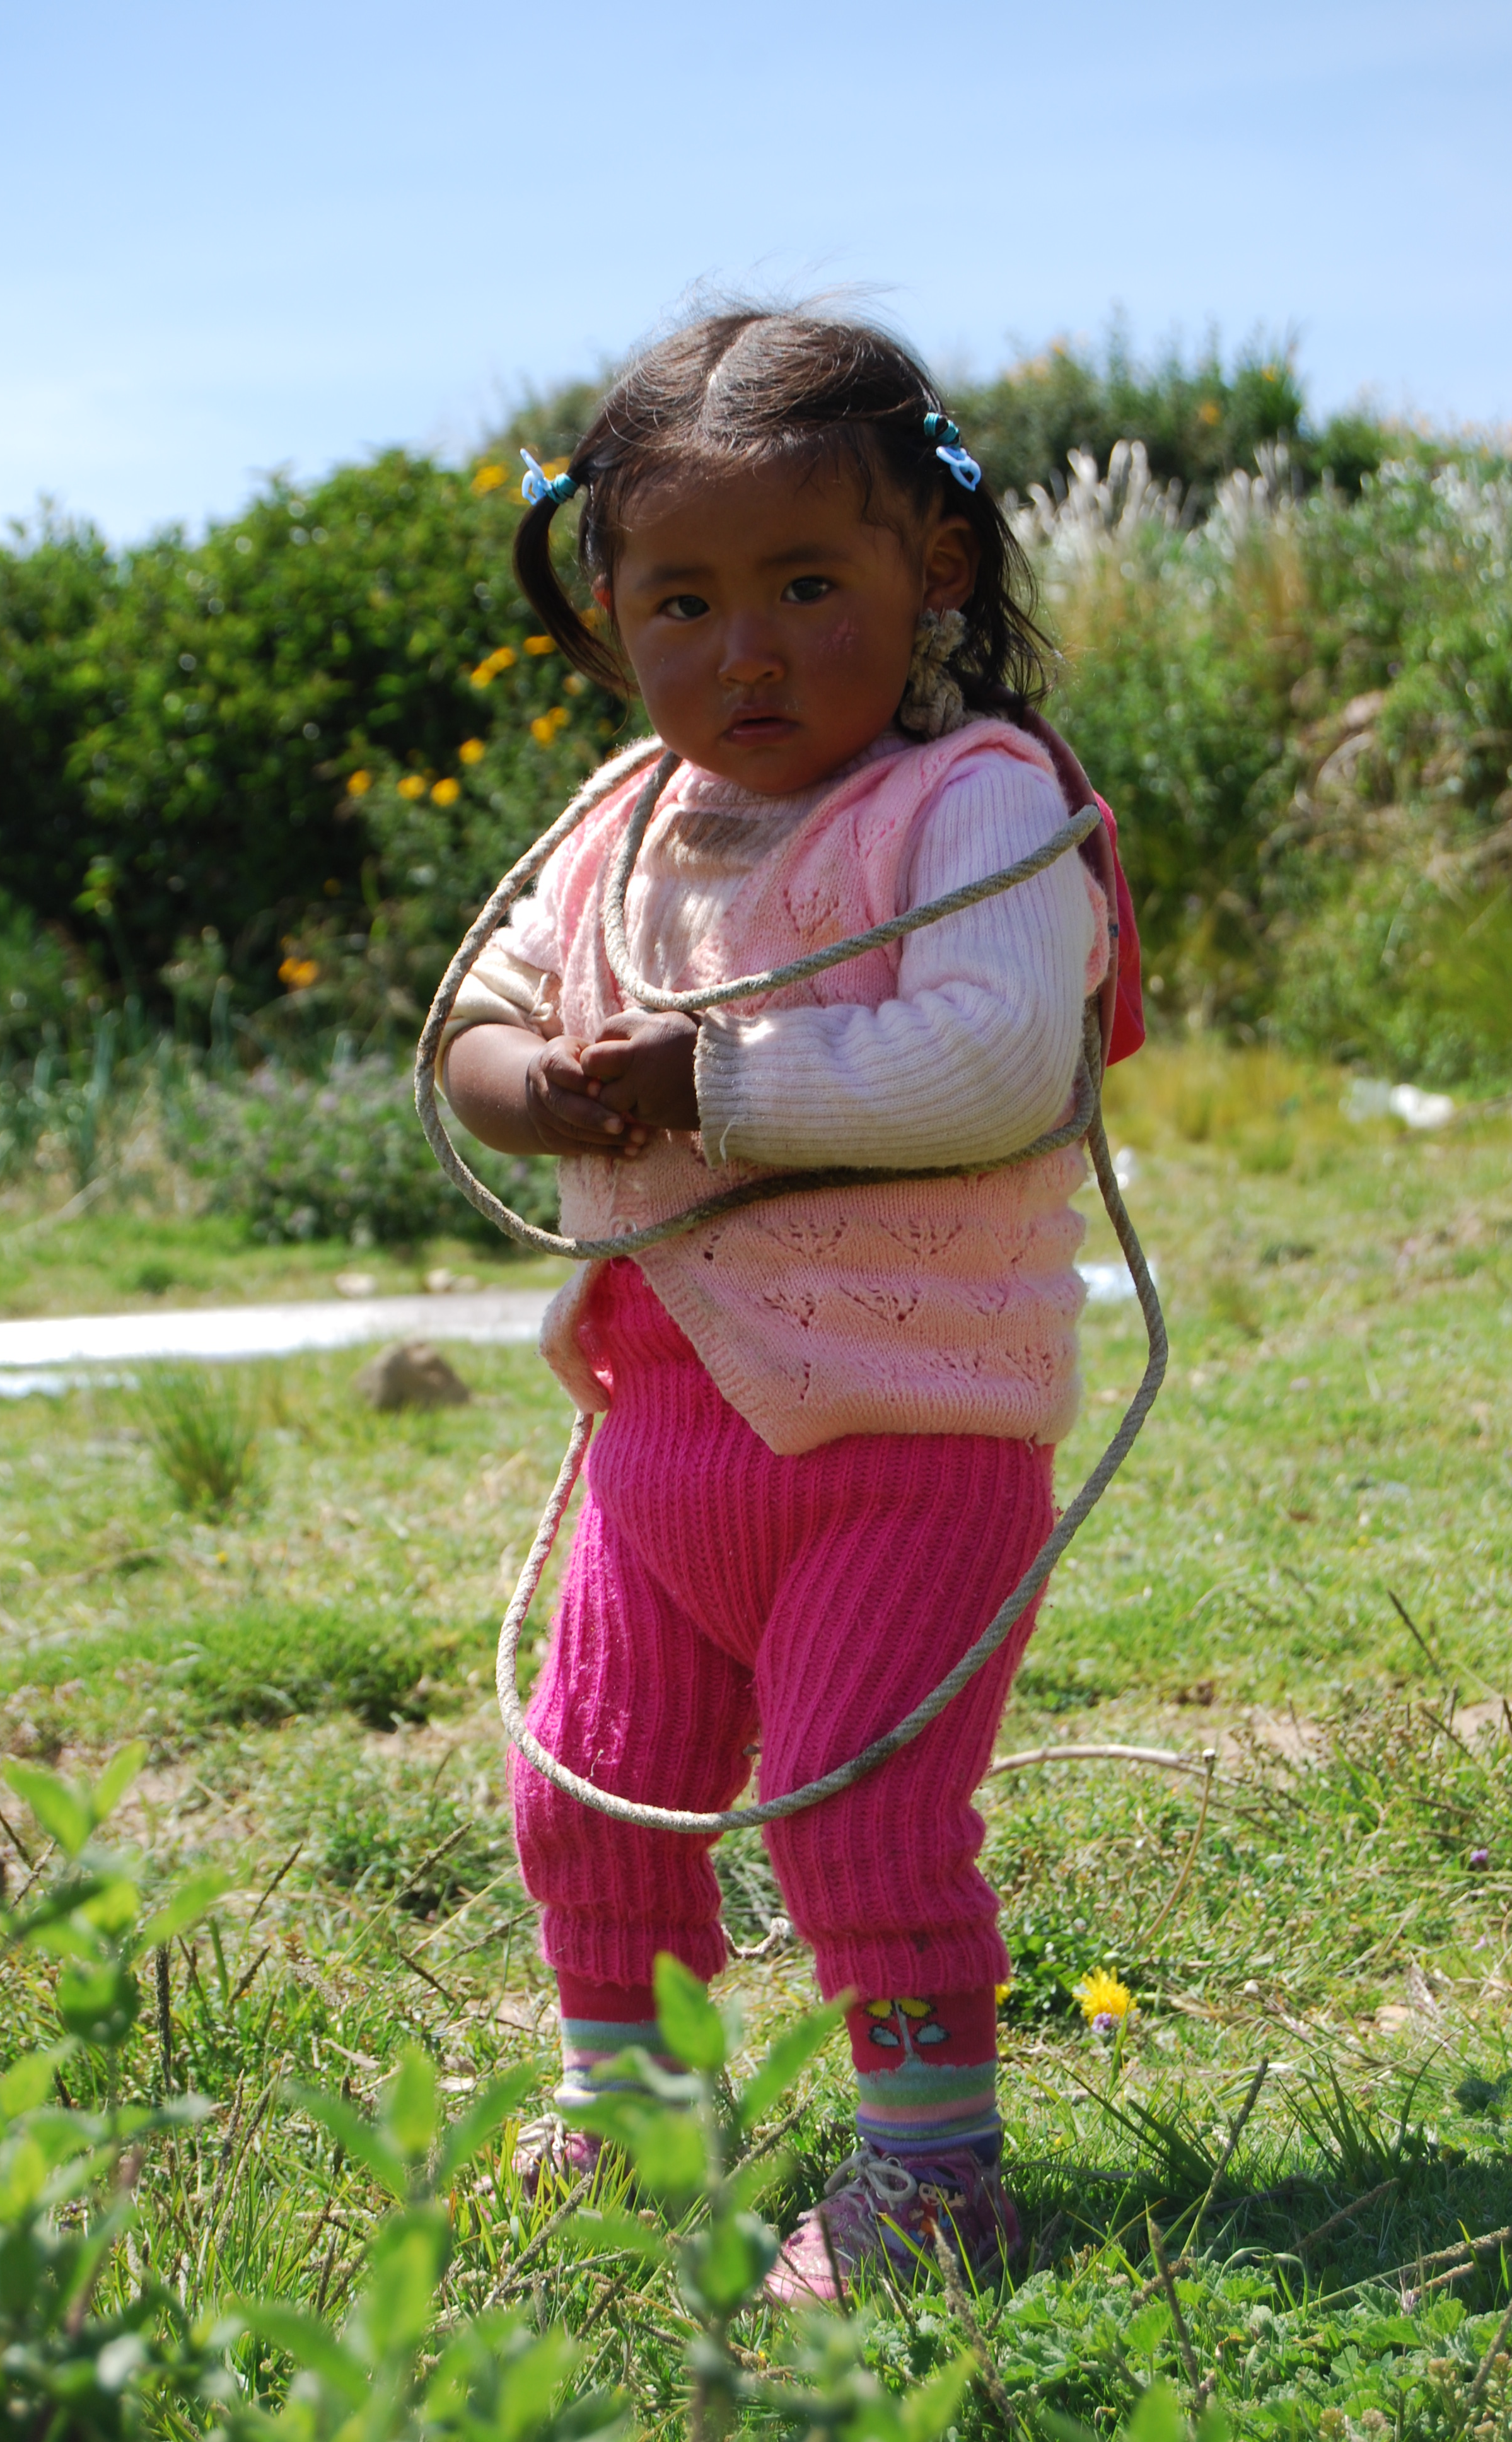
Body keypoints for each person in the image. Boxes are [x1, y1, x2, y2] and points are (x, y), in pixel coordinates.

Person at [438, 306, 1144, 2301]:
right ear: (608, 614)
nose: (745, 651)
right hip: (664, 1437)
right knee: (590, 1793)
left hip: (911, 1438)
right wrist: (532, 1085)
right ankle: (638, 2112)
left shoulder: (978, 806)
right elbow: (479, 1014)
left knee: (862, 1809)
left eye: (808, 587)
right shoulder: (618, 827)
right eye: (683, 602)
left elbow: (996, 1059)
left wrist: (710, 1081)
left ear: (937, 569)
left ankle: (934, 2173)